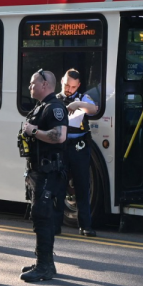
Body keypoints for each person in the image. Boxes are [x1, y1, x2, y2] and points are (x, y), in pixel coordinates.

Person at [18, 69, 67, 282]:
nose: (30, 87)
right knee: (38, 214)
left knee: (43, 216)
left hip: (48, 172)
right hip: (38, 170)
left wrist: (34, 132)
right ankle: (44, 261)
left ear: (45, 84)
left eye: (32, 83)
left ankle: (44, 266)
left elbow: (60, 136)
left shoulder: (54, 108)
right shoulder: (41, 107)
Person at [55, 69, 99, 237]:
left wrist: (77, 104)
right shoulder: (55, 99)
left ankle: (85, 226)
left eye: (73, 86)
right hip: (61, 146)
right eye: (67, 85)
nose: (69, 89)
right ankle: (56, 225)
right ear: (61, 81)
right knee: (59, 186)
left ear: (78, 85)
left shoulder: (82, 98)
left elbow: (94, 109)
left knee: (81, 185)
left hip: (79, 147)